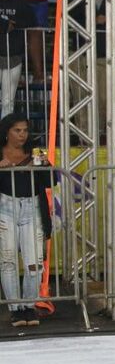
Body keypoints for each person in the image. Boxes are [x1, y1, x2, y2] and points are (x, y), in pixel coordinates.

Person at [0, 112, 53, 328]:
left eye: (24, 130)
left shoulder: (35, 152)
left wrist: (43, 166)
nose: (22, 135)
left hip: (32, 207)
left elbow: (50, 181)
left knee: (34, 263)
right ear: (6, 132)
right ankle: (15, 309)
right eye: (17, 130)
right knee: (8, 260)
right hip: (5, 206)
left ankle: (29, 306)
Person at [0, 0, 34, 118]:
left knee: (8, 100)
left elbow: (31, 23)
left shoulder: (21, 3)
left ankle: (3, 134)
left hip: (13, 57)